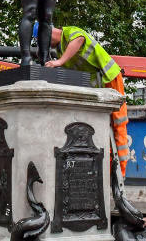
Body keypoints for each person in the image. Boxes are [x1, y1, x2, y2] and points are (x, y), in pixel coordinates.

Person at [43, 25, 129, 174]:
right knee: (103, 128)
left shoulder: (70, 32)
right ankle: (109, 172)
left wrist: (59, 62)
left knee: (118, 124)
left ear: (48, 33)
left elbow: (79, 39)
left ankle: (120, 174)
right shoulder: (60, 49)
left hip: (110, 77)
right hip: (99, 86)